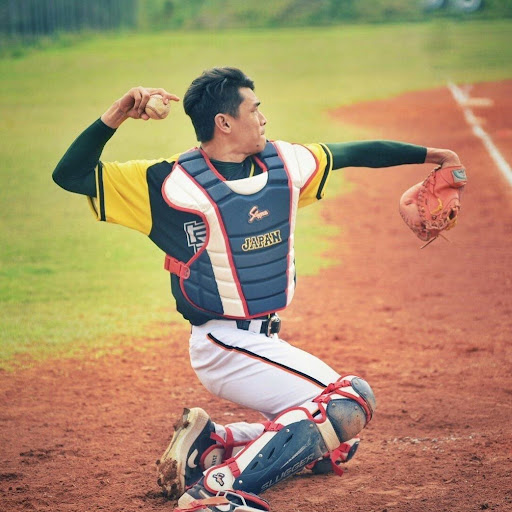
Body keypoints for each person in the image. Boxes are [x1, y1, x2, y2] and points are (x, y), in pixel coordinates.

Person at [53, 67, 462, 512]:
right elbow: (70, 175)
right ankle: (217, 490)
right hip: (222, 345)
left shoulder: (286, 164)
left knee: (336, 441)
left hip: (263, 342)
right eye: (254, 109)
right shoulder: (166, 183)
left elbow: (354, 152)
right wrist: (117, 114)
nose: (264, 118)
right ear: (224, 122)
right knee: (349, 401)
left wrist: (435, 155)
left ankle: (213, 443)